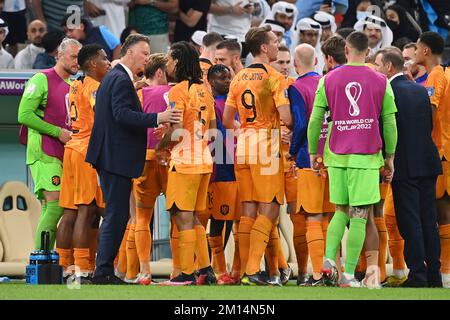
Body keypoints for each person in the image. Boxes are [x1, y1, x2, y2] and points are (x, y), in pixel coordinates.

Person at [85, 34, 182, 285]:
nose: (147, 58)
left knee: (117, 215)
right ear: (129, 53)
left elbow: (113, 112)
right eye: (144, 52)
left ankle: (105, 269)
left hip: (113, 155)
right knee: (116, 215)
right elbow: (121, 114)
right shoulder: (119, 79)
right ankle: (103, 271)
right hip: (115, 156)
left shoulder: (117, 78)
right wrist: (158, 117)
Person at [307, 31, 398, 287]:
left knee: (340, 211)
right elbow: (389, 122)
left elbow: (316, 120)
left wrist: (313, 152)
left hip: (336, 154)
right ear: (368, 52)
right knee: (359, 214)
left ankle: (327, 260)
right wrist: (390, 156)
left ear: (346, 51)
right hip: (366, 155)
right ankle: (347, 274)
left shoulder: (327, 79)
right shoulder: (381, 80)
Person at [222, 25, 292, 285]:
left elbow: (227, 119)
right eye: (274, 41)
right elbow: (285, 117)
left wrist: (244, 131)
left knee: (249, 211)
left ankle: (255, 272)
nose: (277, 45)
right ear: (264, 47)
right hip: (268, 145)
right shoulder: (274, 77)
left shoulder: (237, 78)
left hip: (244, 148)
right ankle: (252, 270)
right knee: (271, 209)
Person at [374, 47, 442, 288]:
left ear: (389, 67)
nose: (376, 70)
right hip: (428, 161)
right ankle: (434, 274)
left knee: (410, 221)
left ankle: (417, 275)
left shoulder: (387, 93)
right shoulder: (420, 90)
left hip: (404, 164)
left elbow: (386, 130)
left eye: (378, 65)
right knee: (428, 220)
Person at [157, 41, 216, 286]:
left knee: (181, 216)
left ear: (178, 61)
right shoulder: (205, 90)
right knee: (193, 218)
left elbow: (177, 130)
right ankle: (206, 269)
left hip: (185, 161)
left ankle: (186, 274)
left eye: (170, 59)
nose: (168, 64)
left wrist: (162, 145)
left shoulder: (178, 91)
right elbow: (213, 130)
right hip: (204, 161)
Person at [18, 38, 82, 250]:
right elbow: (24, 114)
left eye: (79, 58)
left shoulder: (74, 86)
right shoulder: (41, 78)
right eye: (73, 57)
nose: (77, 62)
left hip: (64, 152)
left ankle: (44, 264)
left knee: (55, 207)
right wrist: (57, 132)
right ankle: (40, 260)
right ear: (59, 56)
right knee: (55, 205)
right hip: (43, 151)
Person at [57, 44, 111, 282]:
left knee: (70, 211)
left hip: (72, 148)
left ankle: (64, 265)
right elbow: (103, 117)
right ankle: (82, 267)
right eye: (104, 59)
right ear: (92, 64)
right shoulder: (94, 87)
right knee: (86, 210)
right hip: (87, 150)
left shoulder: (74, 84)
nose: (108, 62)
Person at [287, 43, 334, 287]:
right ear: (316, 61)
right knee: (328, 216)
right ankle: (329, 272)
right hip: (333, 158)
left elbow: (302, 124)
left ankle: (316, 274)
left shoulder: (296, 87)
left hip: (309, 157)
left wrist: (293, 151)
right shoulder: (329, 81)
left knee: (312, 217)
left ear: (295, 65)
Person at [127, 53, 172, 285]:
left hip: (143, 159)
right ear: (160, 73)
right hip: (170, 158)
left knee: (141, 218)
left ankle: (142, 272)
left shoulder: (138, 94)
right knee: (178, 216)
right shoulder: (177, 91)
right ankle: (180, 271)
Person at [416, 31, 450, 289]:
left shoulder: (436, 75)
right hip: (445, 149)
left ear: (425, 50)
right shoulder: (445, 73)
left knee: (442, 212)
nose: (416, 52)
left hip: (441, 152)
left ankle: (446, 272)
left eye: (417, 48)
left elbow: (430, 110)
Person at [204, 63, 240, 285]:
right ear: (210, 81)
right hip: (222, 168)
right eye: (221, 78)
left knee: (236, 221)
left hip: (236, 168)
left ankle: (235, 271)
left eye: (228, 77)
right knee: (219, 221)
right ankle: (217, 270)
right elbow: (216, 138)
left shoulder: (232, 104)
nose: (227, 81)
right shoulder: (215, 105)